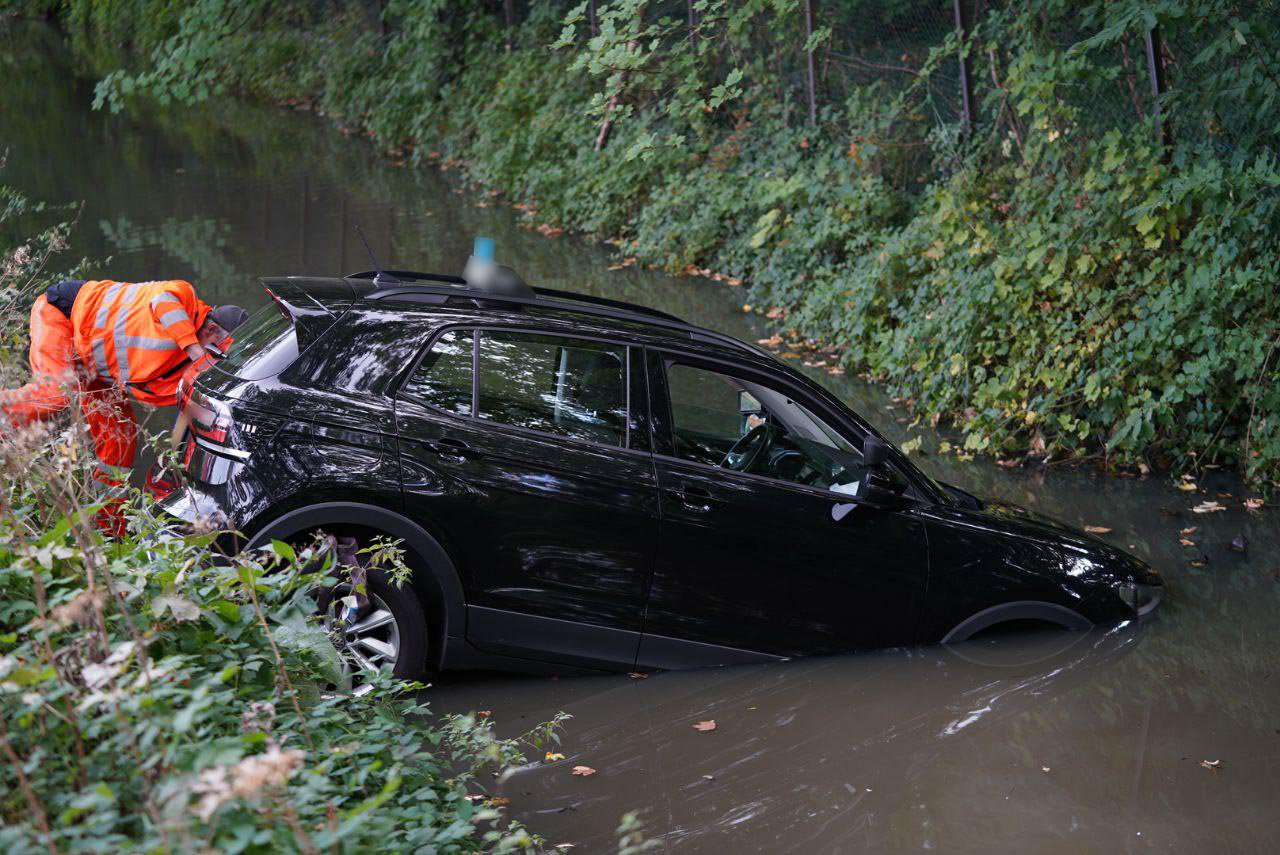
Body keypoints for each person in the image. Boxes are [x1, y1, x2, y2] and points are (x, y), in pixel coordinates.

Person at [1, 277, 247, 505]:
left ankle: (108, 528)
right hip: (64, 313)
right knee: (56, 393)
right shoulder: (181, 296)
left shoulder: (187, 362)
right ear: (211, 330)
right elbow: (163, 302)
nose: (214, 361)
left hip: (97, 369)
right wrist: (196, 351)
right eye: (217, 352)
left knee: (120, 440)